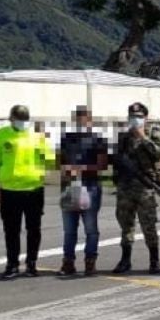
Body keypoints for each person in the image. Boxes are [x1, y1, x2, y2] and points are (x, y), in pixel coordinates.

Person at [0, 105, 53, 279]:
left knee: (34, 229)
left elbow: (49, 159)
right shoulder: (0, 136)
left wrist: (45, 174)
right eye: (19, 118)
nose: (22, 122)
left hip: (34, 190)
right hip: (9, 191)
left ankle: (31, 264)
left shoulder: (38, 136)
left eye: (25, 119)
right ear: (11, 118)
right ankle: (12, 264)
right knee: (11, 230)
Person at [111, 102, 160, 274]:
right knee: (126, 225)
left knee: (148, 225)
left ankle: (154, 260)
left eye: (139, 117)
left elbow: (159, 154)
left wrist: (143, 138)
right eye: (132, 116)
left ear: (146, 118)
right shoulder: (123, 137)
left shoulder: (153, 134)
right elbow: (116, 159)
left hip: (145, 188)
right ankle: (125, 260)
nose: (135, 120)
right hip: (125, 187)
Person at [58, 106, 108, 276]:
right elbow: (59, 161)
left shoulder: (98, 140)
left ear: (90, 121)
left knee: (91, 228)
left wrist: (81, 168)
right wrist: (66, 169)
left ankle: (90, 261)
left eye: (84, 119)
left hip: (90, 187)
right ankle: (68, 262)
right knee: (69, 229)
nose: (81, 122)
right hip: (69, 188)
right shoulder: (66, 139)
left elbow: (102, 165)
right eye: (78, 119)